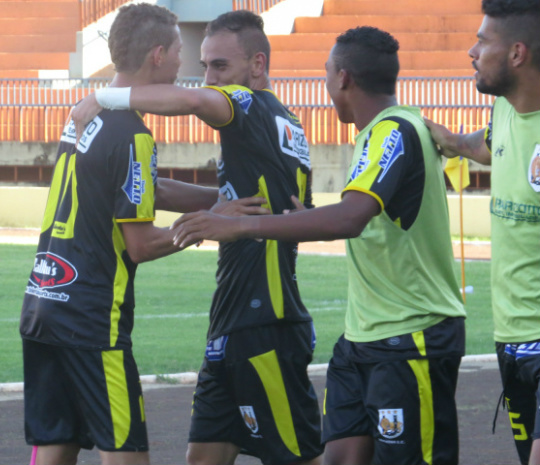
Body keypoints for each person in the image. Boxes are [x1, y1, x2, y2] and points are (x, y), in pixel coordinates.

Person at [171, 26, 468, 465]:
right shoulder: (373, 135)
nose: (326, 85)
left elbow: (349, 218)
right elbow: (348, 213)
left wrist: (242, 227)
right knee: (337, 456)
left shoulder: (394, 130)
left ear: (344, 78)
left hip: (411, 335)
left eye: (327, 74)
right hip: (362, 337)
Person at [71, 10, 323, 465]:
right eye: (204, 66)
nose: (208, 79)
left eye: (220, 67)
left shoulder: (254, 106)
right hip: (230, 323)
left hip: (265, 322)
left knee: (297, 458)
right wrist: (128, 181)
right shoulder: (280, 125)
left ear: (258, 65)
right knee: (202, 458)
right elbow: (212, 193)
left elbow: (193, 104)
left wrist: (107, 97)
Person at [19, 4, 266, 465]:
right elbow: (141, 243)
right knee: (127, 454)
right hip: (93, 321)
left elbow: (144, 188)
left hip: (43, 305)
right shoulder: (132, 132)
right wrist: (211, 227)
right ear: (157, 55)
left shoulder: (82, 118)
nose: (183, 64)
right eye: (178, 51)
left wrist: (220, 198)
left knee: (55, 447)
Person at [422, 1, 540, 463]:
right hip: (511, 339)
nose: (472, 51)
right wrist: (443, 138)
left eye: (483, 41)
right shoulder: (507, 114)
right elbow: (480, 146)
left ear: (516, 53)